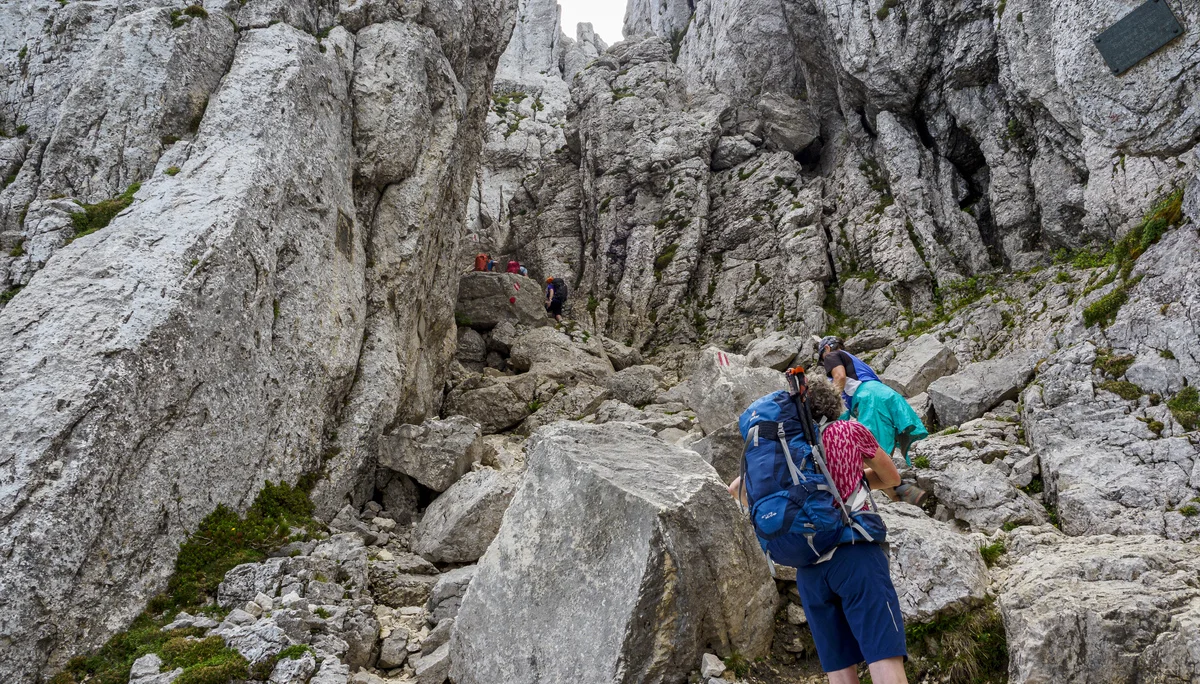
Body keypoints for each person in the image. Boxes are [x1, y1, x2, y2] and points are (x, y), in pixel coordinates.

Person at [728, 377, 909, 684]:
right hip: (855, 554)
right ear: (835, 405)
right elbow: (890, 477)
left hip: (808, 568)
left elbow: (736, 489)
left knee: (839, 674)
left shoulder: (786, 448)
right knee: (883, 660)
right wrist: (857, 480)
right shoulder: (847, 430)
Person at [815, 335, 928, 505]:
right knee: (881, 457)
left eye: (822, 360)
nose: (825, 365)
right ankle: (903, 496)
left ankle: (898, 490)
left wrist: (828, 405)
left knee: (866, 454)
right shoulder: (857, 363)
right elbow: (845, 407)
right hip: (886, 397)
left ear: (827, 349)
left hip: (871, 400)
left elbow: (839, 378)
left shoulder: (832, 356)